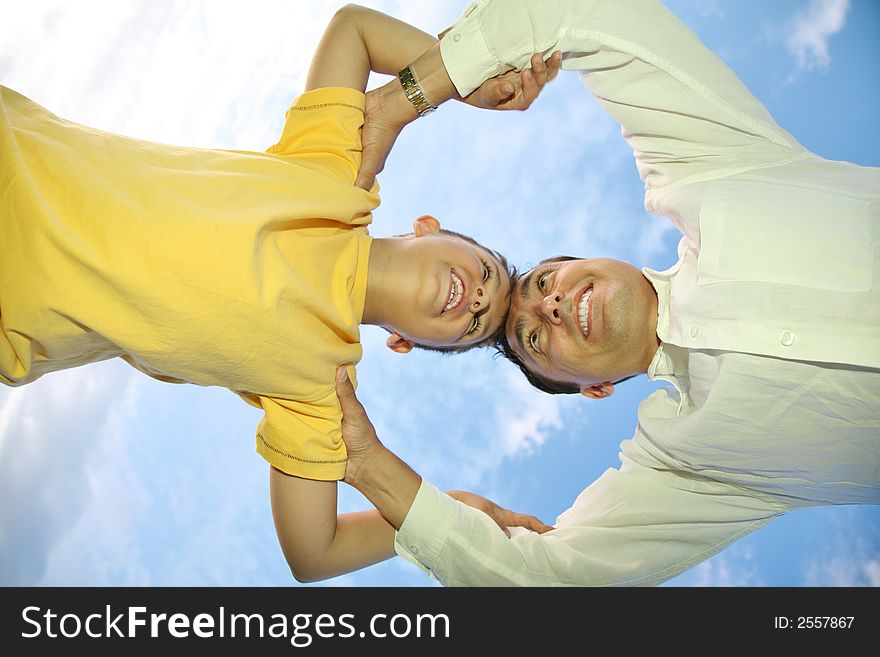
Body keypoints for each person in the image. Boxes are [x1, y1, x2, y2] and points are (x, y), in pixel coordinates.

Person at [0, 5, 560, 581]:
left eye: (473, 325)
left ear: (403, 343)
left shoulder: (321, 392)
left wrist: (460, 512)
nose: (473, 301)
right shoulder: (338, 172)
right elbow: (354, 31)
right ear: (429, 227)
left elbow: (313, 555)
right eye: (487, 275)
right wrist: (461, 82)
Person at [335, 0, 879, 585]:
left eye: (544, 282)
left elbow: (582, 11)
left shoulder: (712, 173)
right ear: (592, 389)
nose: (549, 304)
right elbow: (551, 585)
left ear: (590, 259)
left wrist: (402, 100)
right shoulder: (687, 467)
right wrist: (368, 464)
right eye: (535, 338)